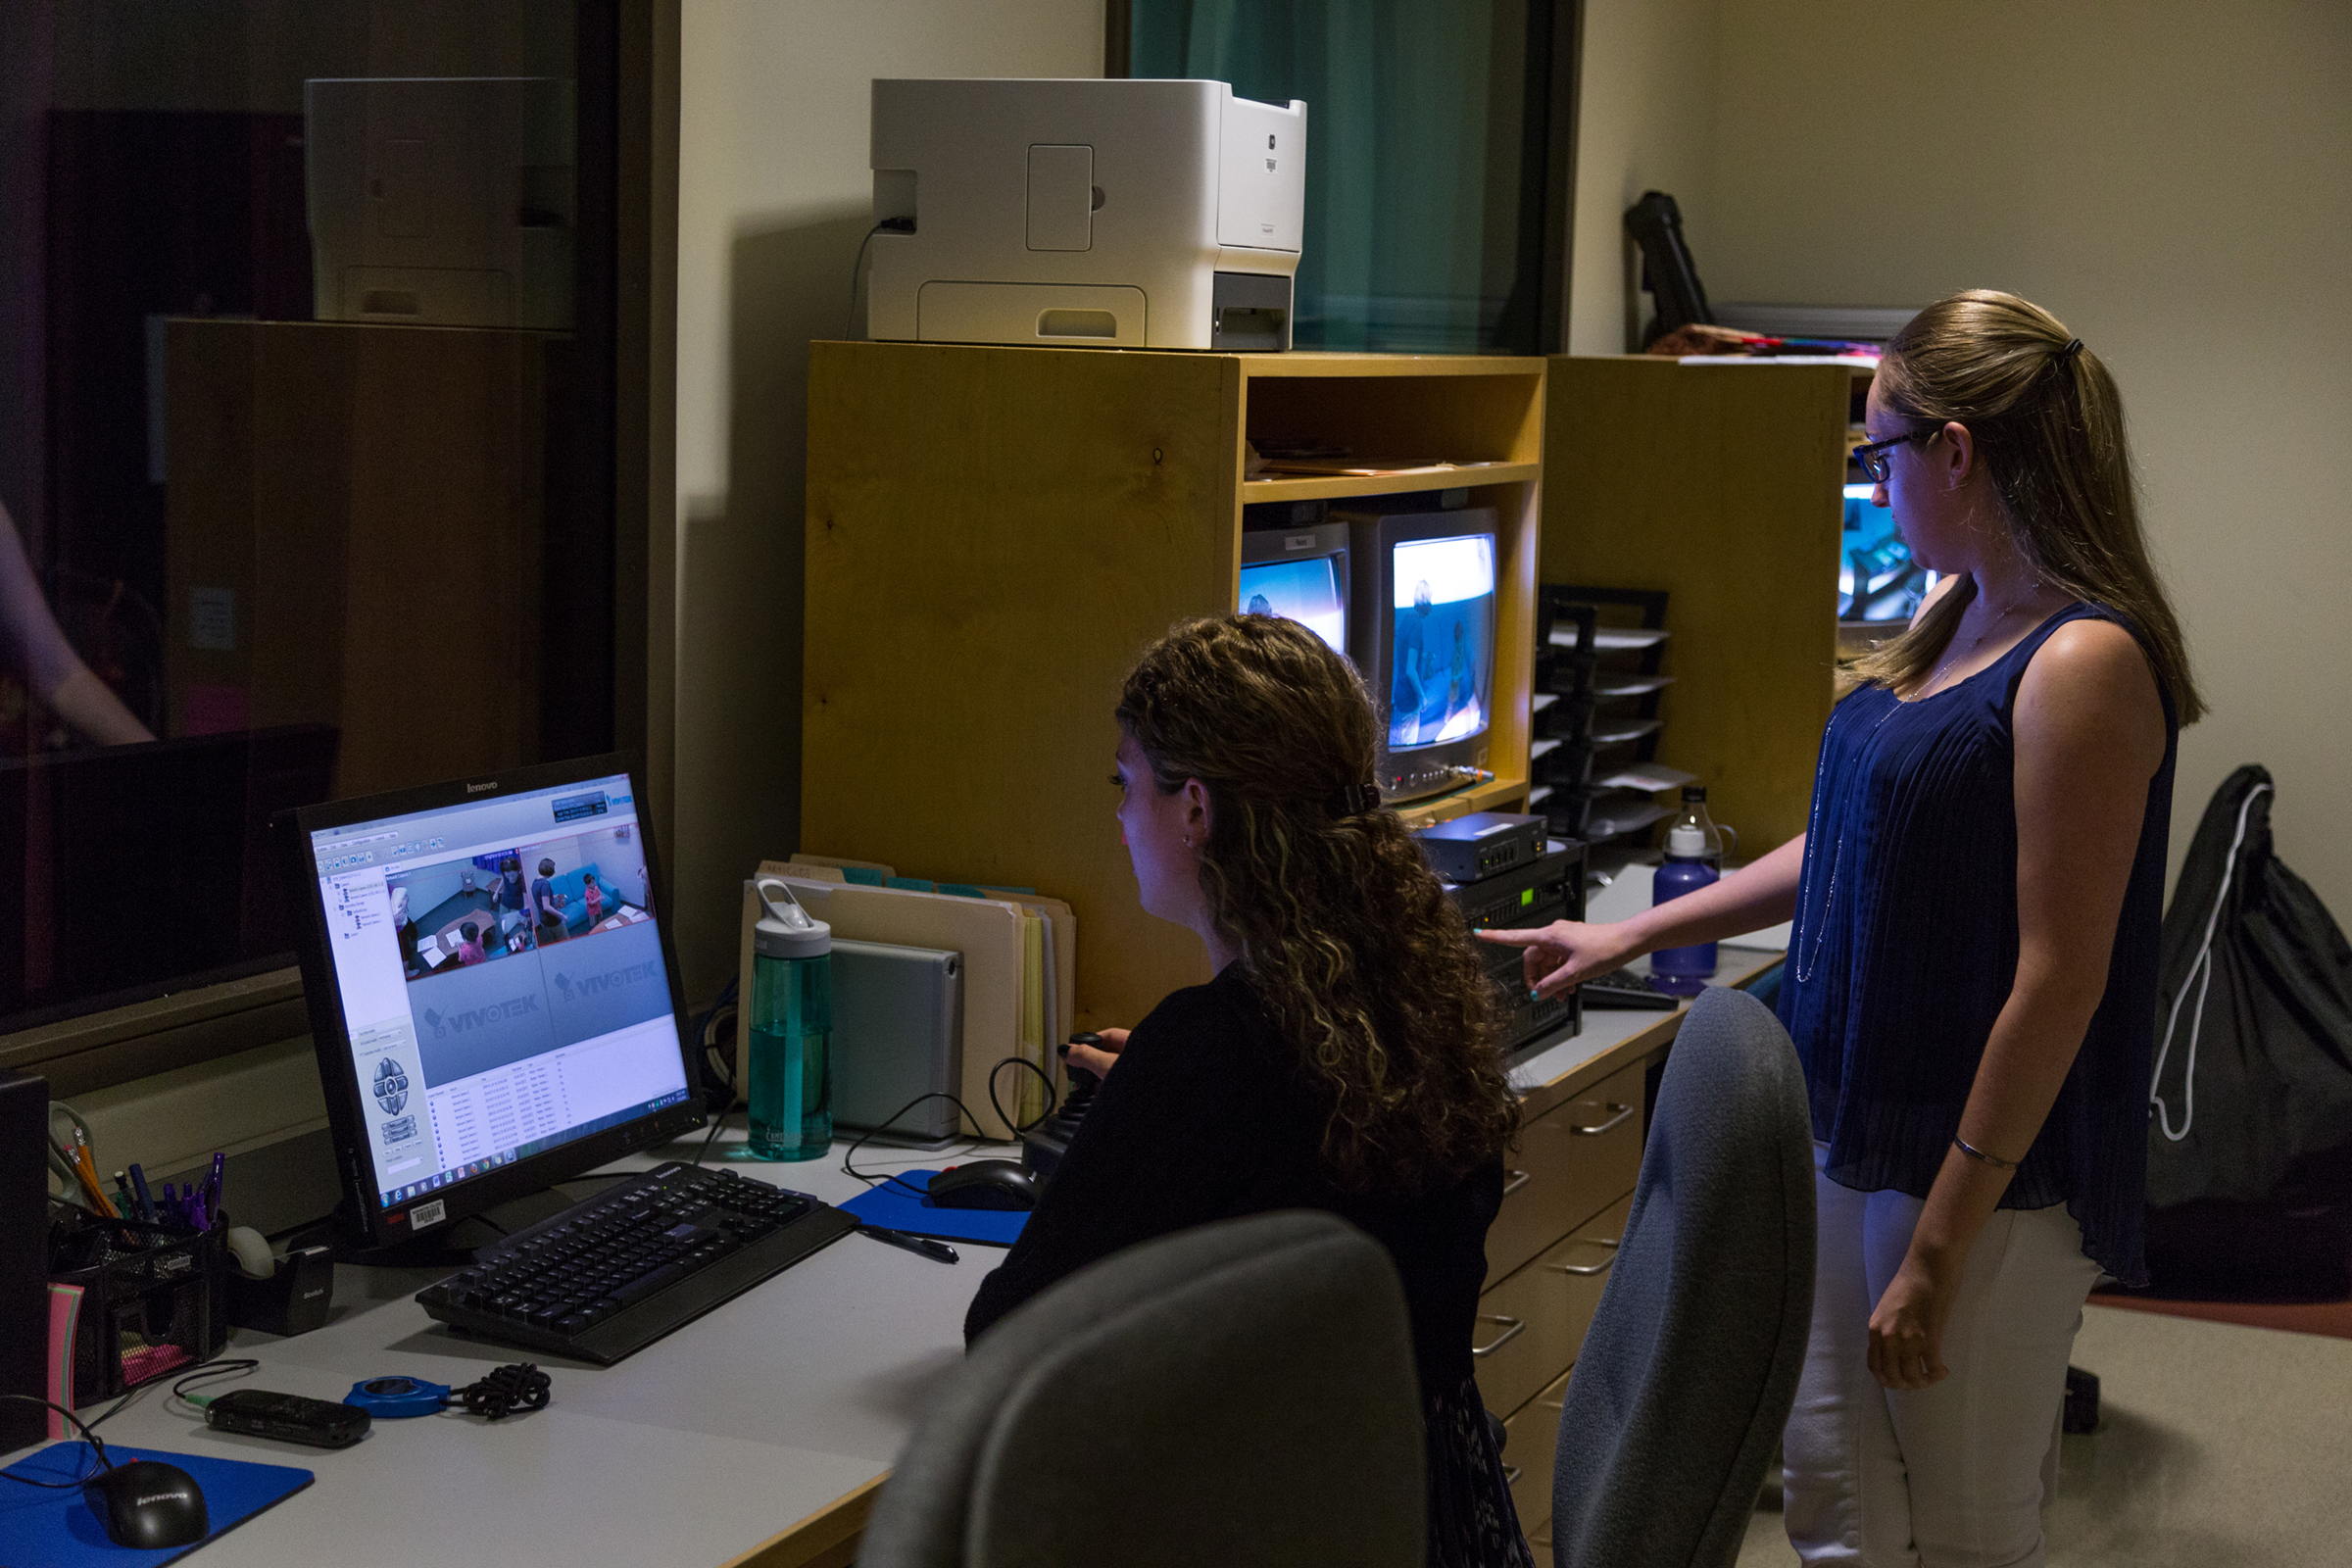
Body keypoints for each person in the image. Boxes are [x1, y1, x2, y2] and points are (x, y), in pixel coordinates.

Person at [1483, 290, 2199, 1567]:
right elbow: (1847, 847)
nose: (1874, 483)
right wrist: (1627, 941)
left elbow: (2060, 980)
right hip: (1847, 1123)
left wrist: (1936, 1249)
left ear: (1959, 452)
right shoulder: (1955, 618)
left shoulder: (2083, 662)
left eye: (1880, 454)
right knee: (1840, 1518)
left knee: (1969, 1528)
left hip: (1977, 1176)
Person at [964, 613, 1530, 1568]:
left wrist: (1151, 1103)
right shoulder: (1418, 1006)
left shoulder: (1211, 1052)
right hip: (1432, 1522)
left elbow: (1010, 1341)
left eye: (1125, 782)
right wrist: (1161, 1092)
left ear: (1195, 810)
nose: (1117, 815)